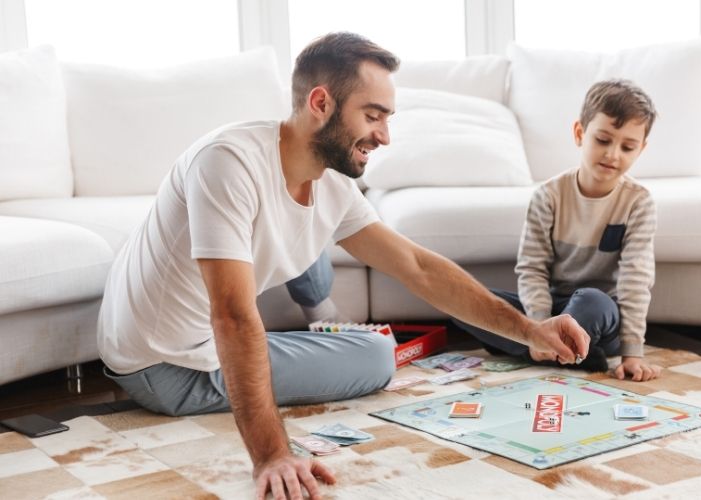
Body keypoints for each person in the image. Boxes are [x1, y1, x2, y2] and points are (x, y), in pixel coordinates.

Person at [96, 32, 590, 500]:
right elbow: (231, 315)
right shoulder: (227, 162)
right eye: (373, 115)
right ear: (320, 104)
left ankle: (316, 319)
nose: (385, 136)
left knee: (339, 291)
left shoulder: (332, 182)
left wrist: (530, 329)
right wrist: (272, 457)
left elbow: (416, 267)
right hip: (160, 364)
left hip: (191, 329)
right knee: (375, 357)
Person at [454, 79, 662, 383]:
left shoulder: (638, 202)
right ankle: (557, 352)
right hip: (552, 310)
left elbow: (635, 280)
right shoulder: (548, 196)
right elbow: (532, 268)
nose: (613, 154)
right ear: (580, 133)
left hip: (600, 316)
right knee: (465, 301)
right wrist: (540, 327)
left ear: (640, 149)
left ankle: (544, 352)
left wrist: (633, 353)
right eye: (603, 140)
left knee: (592, 301)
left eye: (627, 147)